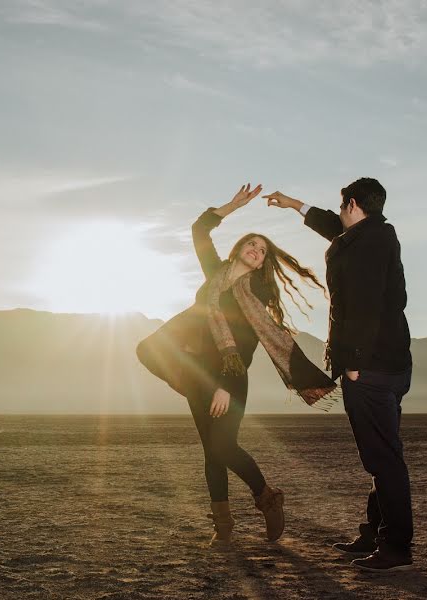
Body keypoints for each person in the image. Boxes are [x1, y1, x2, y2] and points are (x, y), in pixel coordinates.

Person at [136, 182, 338, 549]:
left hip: (231, 378)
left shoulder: (255, 295)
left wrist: (224, 386)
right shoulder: (214, 273)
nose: (257, 251)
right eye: (252, 244)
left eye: (262, 251)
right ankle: (224, 527)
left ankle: (267, 496)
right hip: (201, 375)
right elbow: (199, 231)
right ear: (240, 247)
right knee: (151, 353)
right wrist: (232, 205)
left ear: (263, 263)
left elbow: (244, 346)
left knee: (223, 448)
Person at [264, 178, 414, 572]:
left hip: (370, 368)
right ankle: (374, 534)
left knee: (384, 460)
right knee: (381, 455)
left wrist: (354, 363)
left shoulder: (366, 245)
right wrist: (295, 205)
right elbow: (339, 228)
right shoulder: (375, 233)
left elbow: (364, 307)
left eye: (342, 206)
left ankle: (396, 548)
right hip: (389, 364)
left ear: (351, 203)